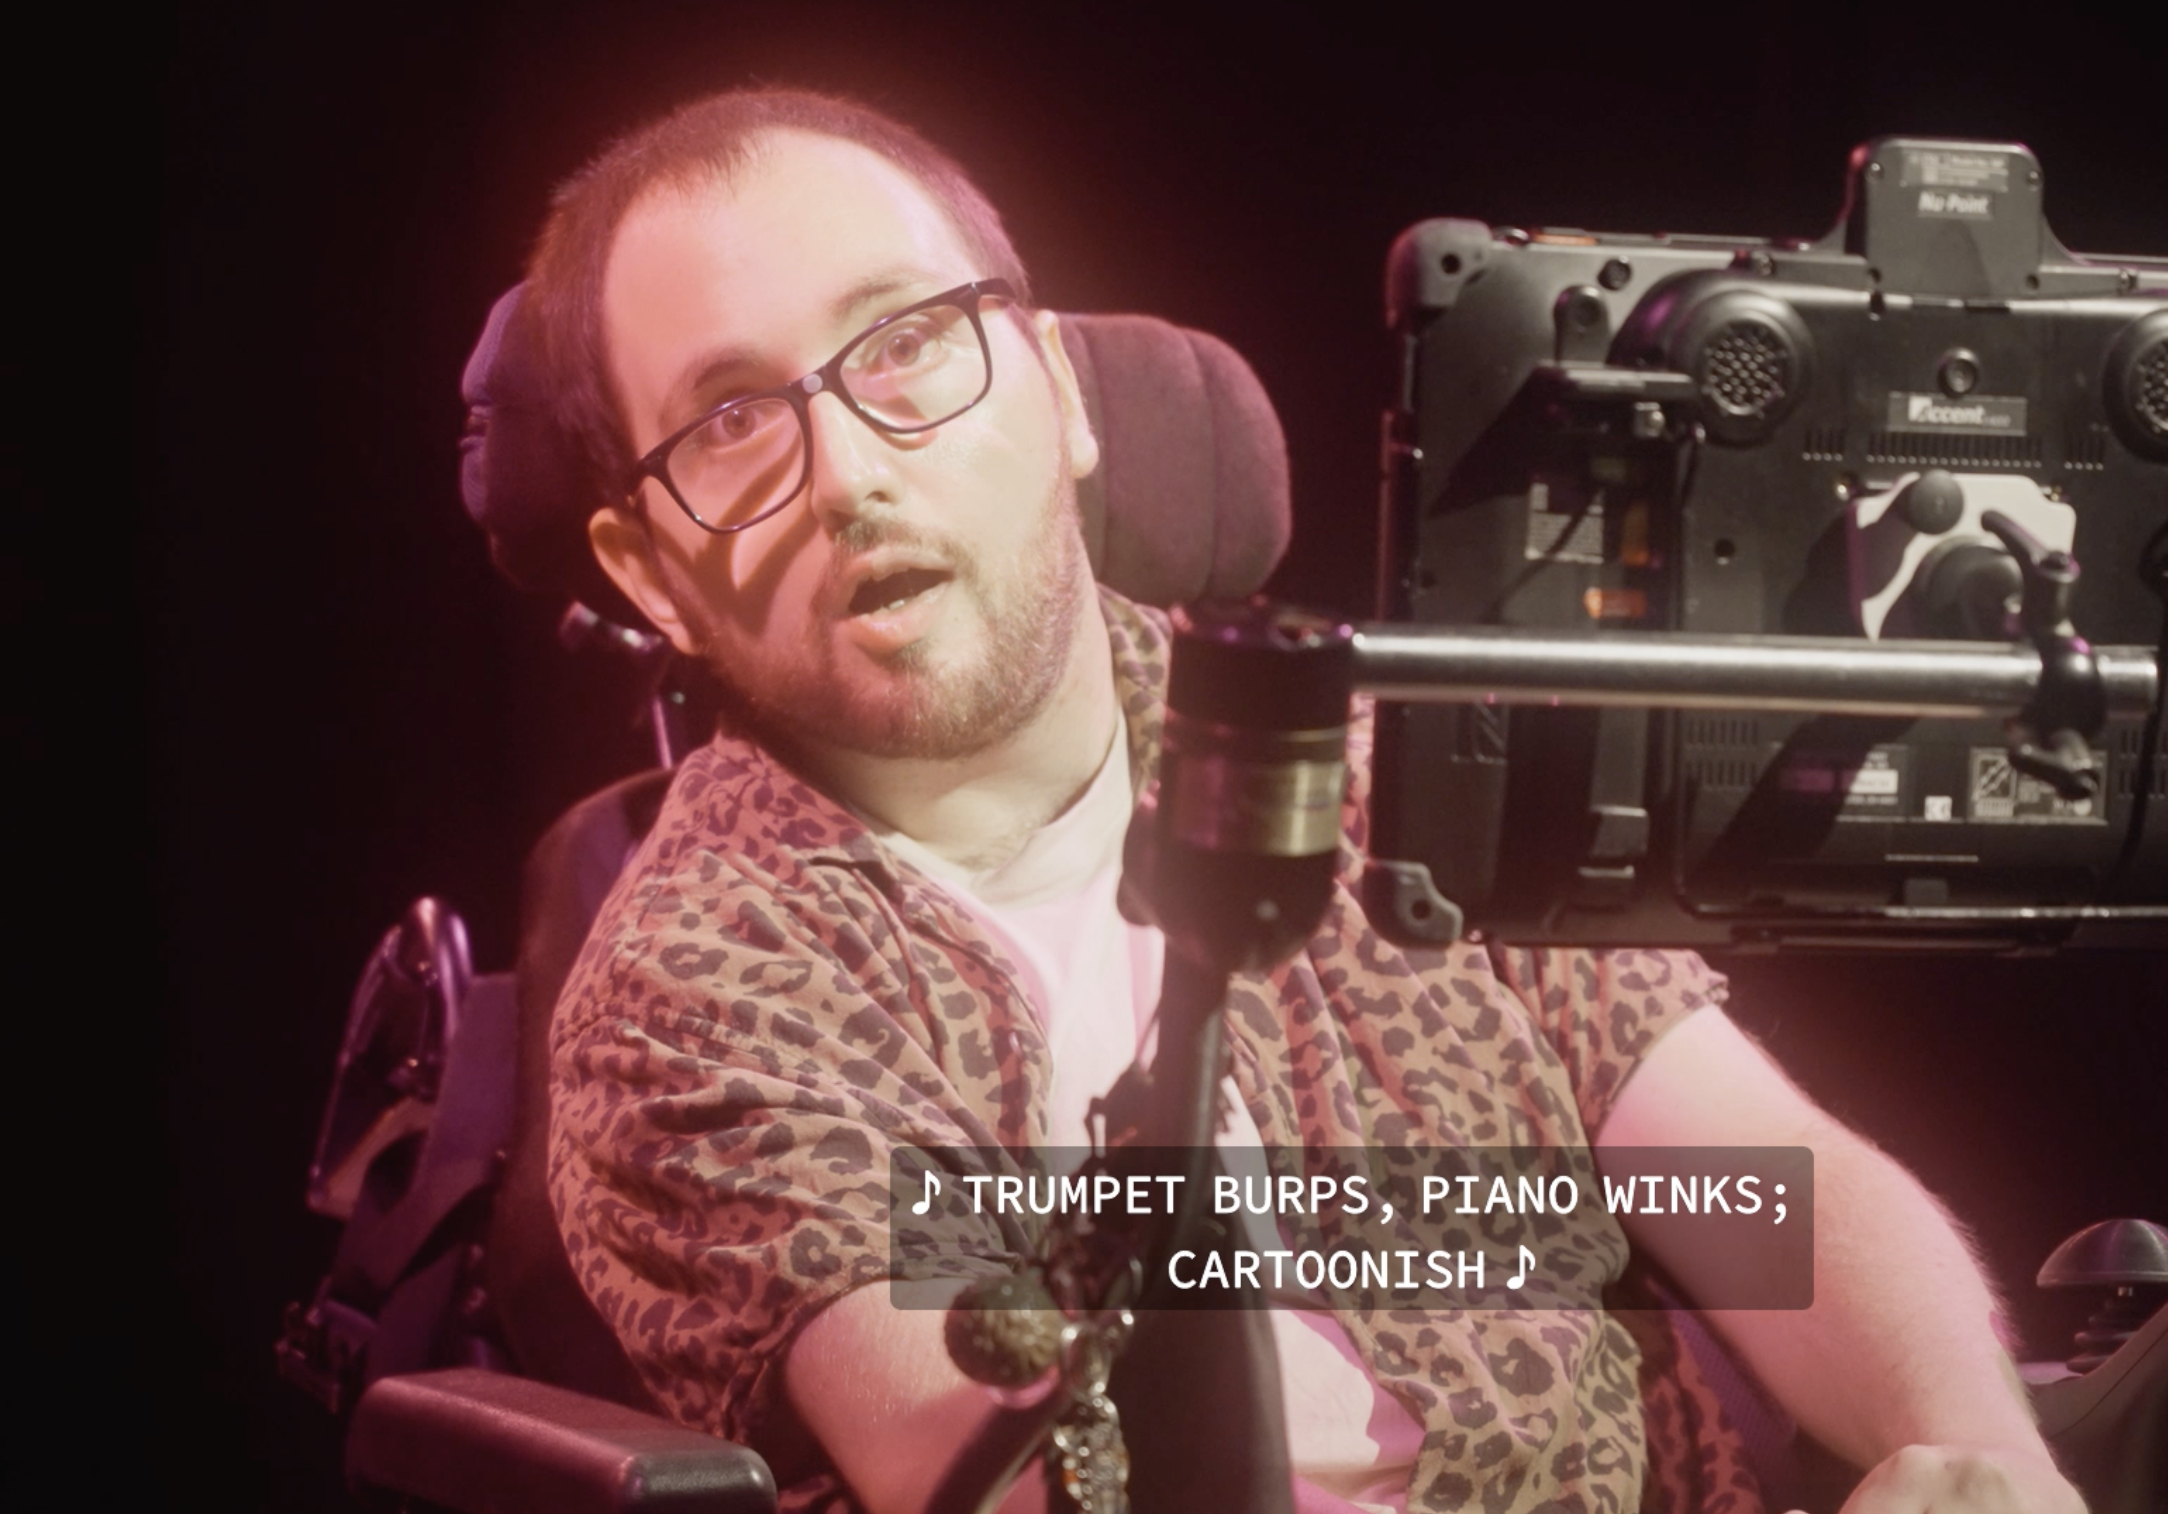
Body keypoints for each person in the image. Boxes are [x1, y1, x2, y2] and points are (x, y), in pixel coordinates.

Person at [523, 87, 2086, 1514]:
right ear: (649, 571)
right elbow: (1018, 1476)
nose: (851, 470)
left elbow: (1759, 1192)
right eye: (730, 420)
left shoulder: (1386, 764)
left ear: (1059, 391)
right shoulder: (693, 990)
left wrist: (1980, 1451)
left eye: (905, 342)